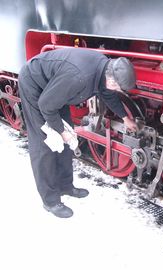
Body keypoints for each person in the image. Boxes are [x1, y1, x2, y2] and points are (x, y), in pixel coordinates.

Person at [18, 47, 137, 218]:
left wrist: (125, 117)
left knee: (68, 138)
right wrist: (60, 131)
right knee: (45, 143)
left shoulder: (104, 69)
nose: (118, 91)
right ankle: (50, 201)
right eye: (119, 88)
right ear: (112, 81)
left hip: (55, 90)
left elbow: (107, 94)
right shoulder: (80, 77)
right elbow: (46, 105)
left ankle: (66, 186)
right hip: (35, 86)